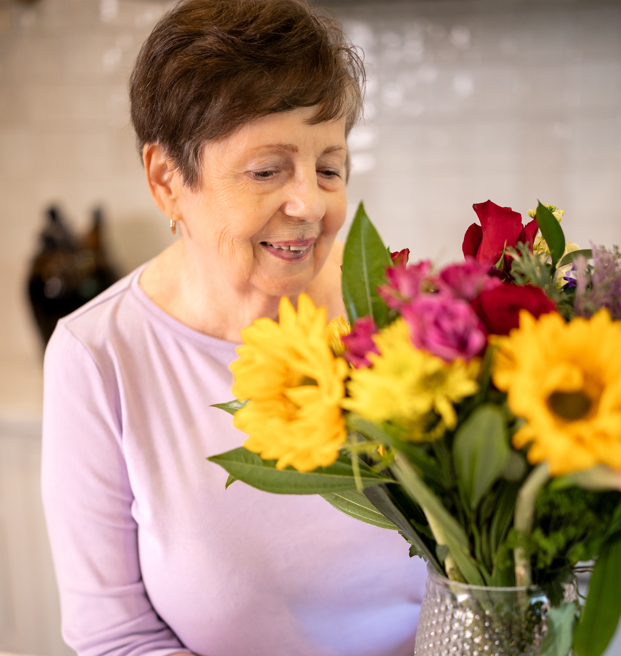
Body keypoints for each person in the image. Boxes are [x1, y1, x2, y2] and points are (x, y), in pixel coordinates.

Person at [41, 1, 427, 655]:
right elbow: (115, 636)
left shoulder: (403, 318)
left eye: (328, 168)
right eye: (267, 171)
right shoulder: (99, 356)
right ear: (167, 179)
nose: (310, 203)